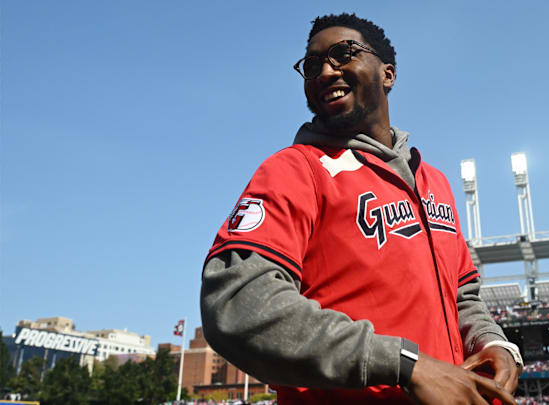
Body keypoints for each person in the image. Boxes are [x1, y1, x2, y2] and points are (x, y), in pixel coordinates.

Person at [200, 12, 523, 405]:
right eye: (313, 65)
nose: (325, 71)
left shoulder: (434, 182)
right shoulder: (294, 170)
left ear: (388, 73)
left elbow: (463, 297)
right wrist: (404, 363)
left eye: (343, 54)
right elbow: (238, 306)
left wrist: (493, 342)